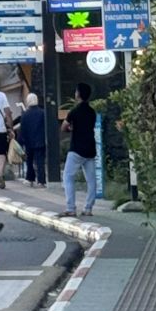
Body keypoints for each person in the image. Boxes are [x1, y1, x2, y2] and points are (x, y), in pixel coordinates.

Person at [62, 81, 98, 217]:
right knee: (91, 180)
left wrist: (71, 128)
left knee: (68, 176)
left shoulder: (74, 111)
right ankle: (88, 208)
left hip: (77, 149)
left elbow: (64, 127)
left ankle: (71, 208)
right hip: (90, 149)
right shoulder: (92, 112)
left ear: (78, 94)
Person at [15, 93, 47, 187]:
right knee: (40, 161)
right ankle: (41, 181)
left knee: (29, 160)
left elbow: (22, 129)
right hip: (40, 140)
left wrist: (20, 141)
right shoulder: (42, 112)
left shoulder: (25, 115)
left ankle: (30, 178)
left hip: (29, 141)